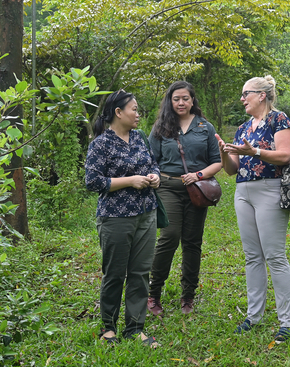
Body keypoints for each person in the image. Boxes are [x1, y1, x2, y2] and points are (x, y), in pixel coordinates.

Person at [215, 75, 290, 344]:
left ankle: (287, 321)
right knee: (252, 256)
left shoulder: (279, 120)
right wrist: (225, 153)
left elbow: (285, 155)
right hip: (243, 193)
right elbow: (231, 170)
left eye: (245, 93)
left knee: (274, 256)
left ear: (262, 95)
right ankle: (254, 315)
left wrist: (256, 152)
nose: (242, 98)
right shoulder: (242, 128)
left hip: (271, 190)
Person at [85, 90, 160, 347]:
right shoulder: (100, 144)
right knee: (114, 273)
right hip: (115, 217)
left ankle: (135, 328)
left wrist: (154, 176)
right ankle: (109, 327)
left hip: (146, 214)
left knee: (140, 273)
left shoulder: (139, 138)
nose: (138, 115)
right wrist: (130, 181)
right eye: (134, 110)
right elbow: (93, 181)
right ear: (118, 113)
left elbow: (152, 164)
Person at [147, 81, 222, 316]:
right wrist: (153, 178)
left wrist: (198, 174)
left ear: (192, 101)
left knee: (192, 242)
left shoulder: (205, 127)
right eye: (176, 98)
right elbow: (151, 160)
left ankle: (188, 295)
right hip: (168, 187)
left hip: (197, 190)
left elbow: (217, 161)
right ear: (170, 101)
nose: (181, 102)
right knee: (168, 237)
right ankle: (154, 293)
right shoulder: (161, 127)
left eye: (185, 98)